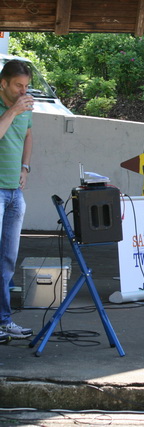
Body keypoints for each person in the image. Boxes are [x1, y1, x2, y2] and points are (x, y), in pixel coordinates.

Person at [0, 60, 35, 341]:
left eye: (26, 85)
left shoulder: (25, 108)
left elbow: (27, 135)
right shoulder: (12, 107)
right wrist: (12, 110)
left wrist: (25, 167)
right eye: (17, 86)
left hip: (15, 191)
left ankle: (3, 320)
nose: (23, 91)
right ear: (3, 83)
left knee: (8, 260)